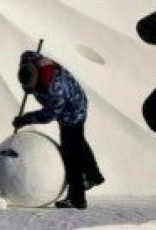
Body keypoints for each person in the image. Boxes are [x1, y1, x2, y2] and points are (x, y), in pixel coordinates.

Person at [14, 50, 105, 209]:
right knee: (78, 142)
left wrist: (25, 119)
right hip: (72, 98)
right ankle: (93, 175)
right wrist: (28, 87)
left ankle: (77, 198)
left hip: (73, 111)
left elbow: (48, 115)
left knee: (71, 154)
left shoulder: (54, 89)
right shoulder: (28, 59)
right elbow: (26, 54)